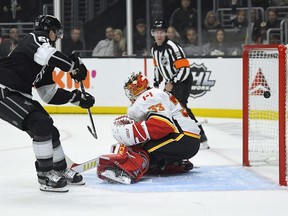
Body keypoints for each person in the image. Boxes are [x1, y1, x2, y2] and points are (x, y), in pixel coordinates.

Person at [0, 15, 95, 192]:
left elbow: (48, 94)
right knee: (40, 123)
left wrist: (77, 98)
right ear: (50, 32)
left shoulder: (45, 60)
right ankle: (45, 175)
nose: (57, 37)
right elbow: (51, 56)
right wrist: (72, 66)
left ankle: (59, 169)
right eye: (56, 33)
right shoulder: (34, 38)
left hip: (17, 93)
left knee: (50, 129)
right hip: (4, 90)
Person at [97, 72, 200, 184]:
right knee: (141, 145)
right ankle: (172, 164)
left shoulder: (148, 96)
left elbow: (162, 125)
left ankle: (130, 170)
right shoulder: (155, 94)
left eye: (131, 89)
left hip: (182, 138)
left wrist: (130, 133)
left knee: (140, 149)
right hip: (187, 139)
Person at [150, 20, 209, 149]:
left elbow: (185, 69)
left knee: (181, 107)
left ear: (166, 33)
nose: (159, 35)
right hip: (171, 81)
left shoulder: (172, 47)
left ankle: (201, 135)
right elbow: (157, 67)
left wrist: (172, 82)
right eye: (156, 32)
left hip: (183, 80)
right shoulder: (154, 48)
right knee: (170, 108)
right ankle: (179, 132)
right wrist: (156, 82)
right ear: (152, 33)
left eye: (162, 32)